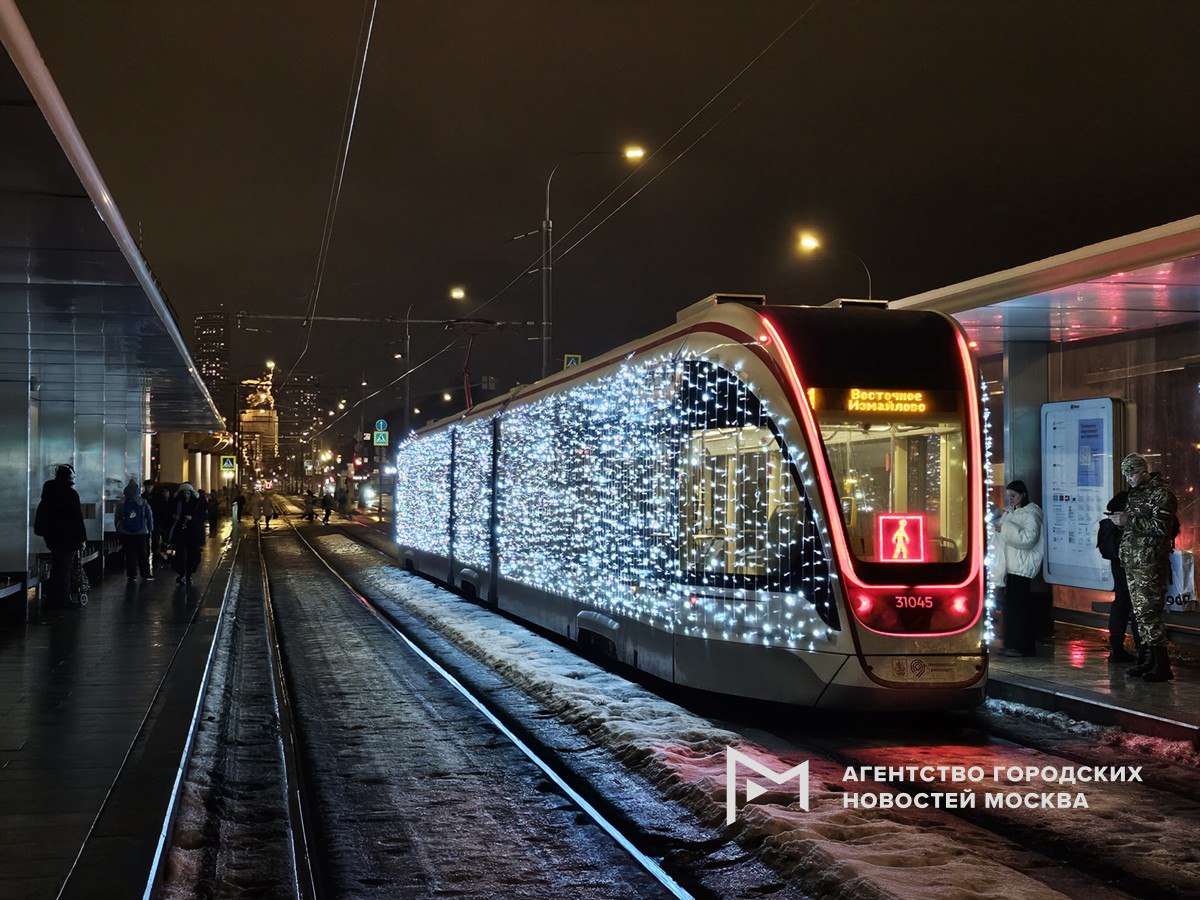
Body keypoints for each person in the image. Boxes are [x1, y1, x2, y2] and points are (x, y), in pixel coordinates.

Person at [1111, 453, 1179, 682]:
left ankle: (1162, 664)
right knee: (1139, 614)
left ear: (1142, 470)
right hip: (1133, 562)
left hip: (1150, 564)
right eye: (1125, 475)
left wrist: (1129, 520)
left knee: (1150, 613)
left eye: (1131, 473)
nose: (1128, 479)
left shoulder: (1162, 494)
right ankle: (1146, 659)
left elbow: (1161, 528)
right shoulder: (1136, 493)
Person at [996, 479, 1044, 657]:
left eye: (1013, 495)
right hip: (1012, 566)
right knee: (1012, 607)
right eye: (1008, 495)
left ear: (1022, 494)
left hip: (1022, 567)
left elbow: (1028, 539)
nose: (1011, 499)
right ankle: (1013, 642)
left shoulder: (1030, 514)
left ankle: (1022, 645)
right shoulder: (1012, 513)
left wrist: (1005, 529)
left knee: (1020, 607)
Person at [34, 464, 87, 606]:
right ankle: (62, 600)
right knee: (64, 568)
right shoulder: (70, 494)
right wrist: (82, 538)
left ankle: (53, 597)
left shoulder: (48, 492)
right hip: (67, 537)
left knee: (58, 566)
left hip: (51, 536)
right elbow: (77, 518)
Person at [1097, 488, 1137, 663]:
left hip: (1117, 557)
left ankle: (1116, 647)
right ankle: (1142, 650)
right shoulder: (1137, 498)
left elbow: (1111, 506)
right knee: (1135, 602)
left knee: (1121, 600)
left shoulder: (1124, 496)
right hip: (1131, 556)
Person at [168, 483, 208, 584]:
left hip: (194, 531)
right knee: (180, 553)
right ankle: (181, 574)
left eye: (188, 493)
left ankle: (189, 574)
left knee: (193, 554)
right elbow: (169, 512)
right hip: (180, 530)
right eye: (184, 493)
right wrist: (174, 516)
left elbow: (203, 515)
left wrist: (193, 518)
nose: (186, 495)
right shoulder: (177, 501)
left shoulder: (199, 501)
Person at [115, 478, 154, 581]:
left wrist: (118, 528)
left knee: (129, 554)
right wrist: (150, 528)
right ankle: (145, 574)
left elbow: (117, 517)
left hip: (126, 532)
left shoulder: (122, 502)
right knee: (143, 553)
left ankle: (132, 576)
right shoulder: (142, 501)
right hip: (140, 531)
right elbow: (149, 515)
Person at [149, 485, 171, 567]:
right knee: (161, 541)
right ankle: (162, 557)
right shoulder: (163, 502)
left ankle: (160, 557)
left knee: (159, 541)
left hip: (160, 523)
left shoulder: (157, 502)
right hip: (161, 523)